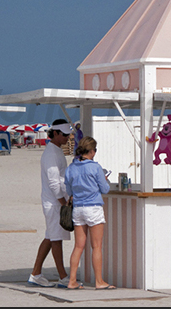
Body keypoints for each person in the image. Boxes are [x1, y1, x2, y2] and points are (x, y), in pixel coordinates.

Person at [64, 136, 114, 290]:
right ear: (91, 151)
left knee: (78, 246)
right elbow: (105, 189)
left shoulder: (71, 167)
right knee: (96, 246)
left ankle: (72, 280)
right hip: (93, 207)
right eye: (95, 150)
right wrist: (105, 179)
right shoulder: (95, 167)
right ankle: (99, 281)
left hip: (78, 208)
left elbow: (68, 190)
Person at [28, 119, 72, 288]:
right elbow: (54, 182)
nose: (67, 137)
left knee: (50, 237)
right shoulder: (51, 154)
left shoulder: (55, 151)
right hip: (54, 202)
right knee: (56, 239)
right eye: (64, 134)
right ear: (55, 133)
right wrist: (63, 203)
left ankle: (36, 273)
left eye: (68, 134)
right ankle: (63, 277)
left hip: (54, 201)